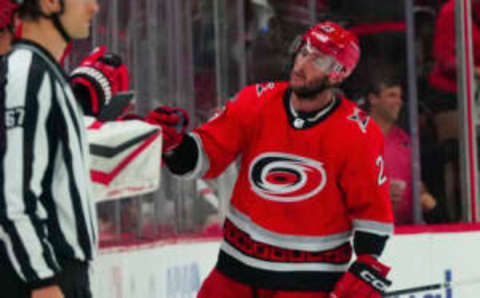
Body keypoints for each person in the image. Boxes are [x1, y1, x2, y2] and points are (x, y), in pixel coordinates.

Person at [147, 21, 394, 297]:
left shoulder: (357, 133)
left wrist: (367, 263)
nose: (302, 64)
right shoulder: (255, 102)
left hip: (308, 283)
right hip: (235, 273)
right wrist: (174, 145)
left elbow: (372, 213)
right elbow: (202, 157)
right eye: (304, 51)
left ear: (338, 74)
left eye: (318, 60)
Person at [0, 0, 130, 297]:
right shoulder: (26, 73)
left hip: (58, 273)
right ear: (49, 2)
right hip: (43, 276)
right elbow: (13, 196)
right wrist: (41, 280)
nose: (94, 8)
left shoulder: (43, 71)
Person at [365, 68, 447, 224]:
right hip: (369, 231)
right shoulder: (354, 136)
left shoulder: (404, 139)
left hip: (407, 231)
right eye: (391, 95)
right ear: (373, 99)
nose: (399, 102)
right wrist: (378, 194)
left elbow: (414, 181)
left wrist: (423, 195)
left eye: (400, 97)